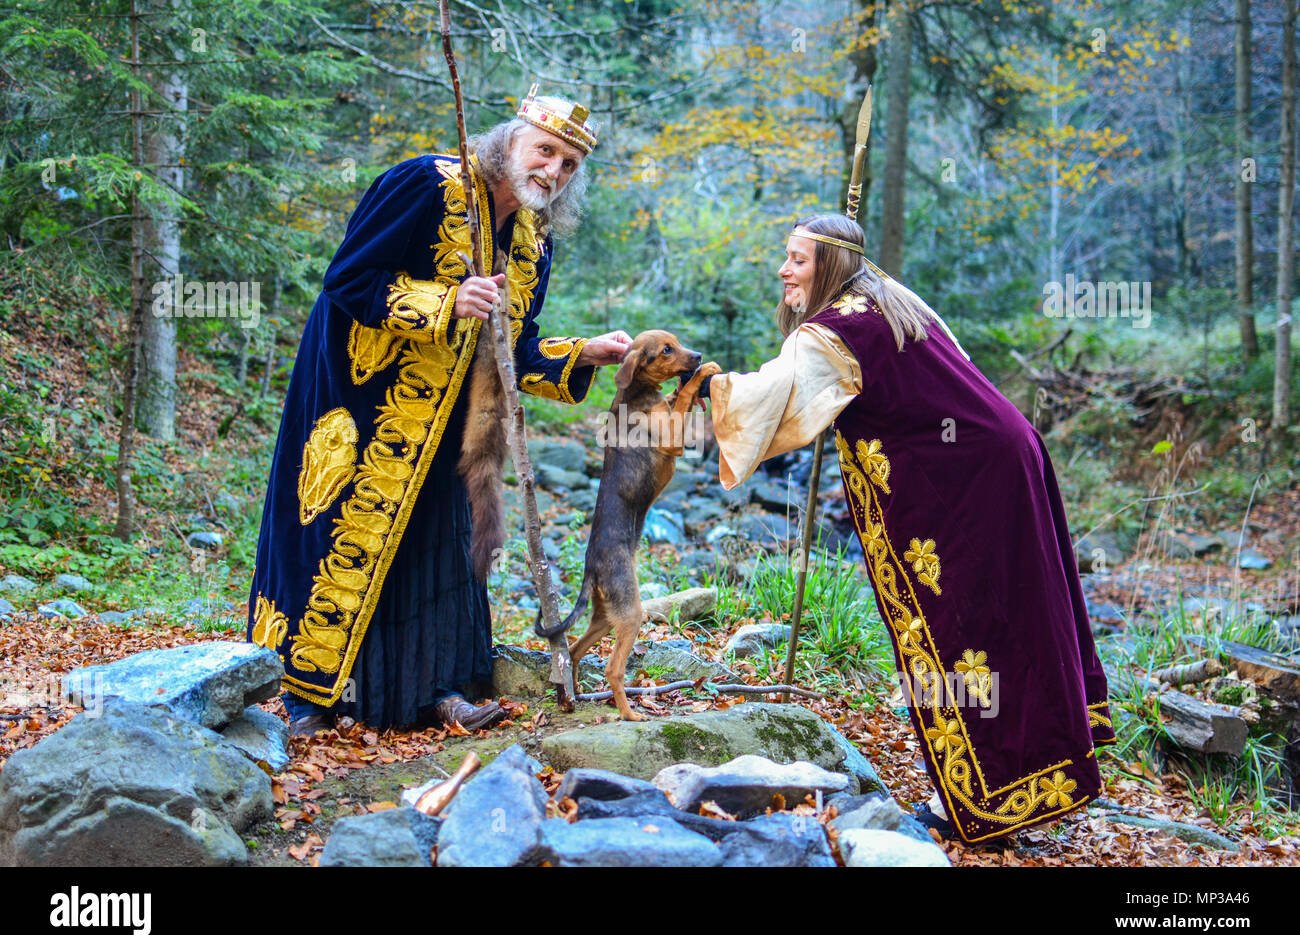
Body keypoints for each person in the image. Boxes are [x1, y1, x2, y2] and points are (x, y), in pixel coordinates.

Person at [700, 213, 1115, 844]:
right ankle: (1040, 774)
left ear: (831, 266)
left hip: (962, 482)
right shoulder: (890, 295)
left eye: (797, 260)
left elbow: (770, 398)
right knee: (1018, 615)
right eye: (786, 258)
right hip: (1005, 453)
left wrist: (700, 381)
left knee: (958, 626)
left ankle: (991, 799)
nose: (783, 271)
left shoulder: (834, 330)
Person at [246, 87, 631, 736]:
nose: (553, 171)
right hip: (358, 397)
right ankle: (311, 694)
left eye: (569, 164)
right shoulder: (425, 182)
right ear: (511, 142)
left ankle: (436, 691)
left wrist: (584, 353)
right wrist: (445, 301)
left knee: (442, 548)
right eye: (546, 151)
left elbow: (514, 349)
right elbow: (347, 281)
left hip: (451, 423)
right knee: (341, 530)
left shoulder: (535, 242)